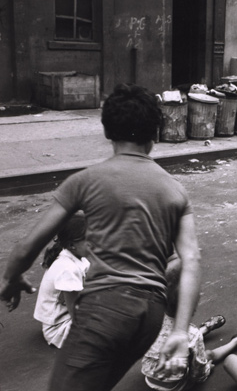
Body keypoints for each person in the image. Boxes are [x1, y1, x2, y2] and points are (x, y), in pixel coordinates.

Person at [0, 83, 203, 391]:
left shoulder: (84, 181)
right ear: (156, 134)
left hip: (106, 308)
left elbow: (29, 245)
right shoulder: (175, 189)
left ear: (107, 132)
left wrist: (12, 276)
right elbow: (191, 260)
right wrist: (178, 330)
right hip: (150, 315)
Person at [142, 255, 237, 391]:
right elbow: (198, 374)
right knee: (209, 354)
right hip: (175, 386)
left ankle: (204, 329)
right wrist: (207, 369)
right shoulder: (191, 334)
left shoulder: (148, 319)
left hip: (150, 378)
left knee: (184, 339)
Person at [33, 212, 90, 349]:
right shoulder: (67, 269)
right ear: (72, 245)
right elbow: (76, 314)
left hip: (68, 316)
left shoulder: (76, 256)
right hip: (59, 328)